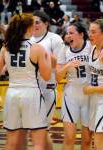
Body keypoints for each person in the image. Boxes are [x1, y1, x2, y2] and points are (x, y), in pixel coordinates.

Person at [0, 13, 52, 150]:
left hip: (12, 94)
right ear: (29, 28)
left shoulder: (6, 47)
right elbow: (47, 76)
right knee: (38, 142)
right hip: (31, 95)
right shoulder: (37, 48)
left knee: (11, 142)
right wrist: (47, 59)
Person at [30, 10, 65, 150]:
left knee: (42, 131)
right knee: (35, 132)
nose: (34, 25)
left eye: (37, 22)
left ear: (46, 24)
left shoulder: (55, 39)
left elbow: (61, 65)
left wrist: (44, 55)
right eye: (32, 22)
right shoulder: (27, 38)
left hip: (47, 89)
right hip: (30, 89)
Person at [55, 22, 92, 150]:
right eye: (67, 33)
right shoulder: (64, 49)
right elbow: (58, 78)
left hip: (89, 96)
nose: (68, 36)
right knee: (69, 138)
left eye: (71, 33)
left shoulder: (91, 47)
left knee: (87, 140)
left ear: (81, 34)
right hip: (71, 96)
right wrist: (67, 66)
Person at [83, 19, 103, 150]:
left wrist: (92, 89)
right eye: (89, 31)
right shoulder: (92, 49)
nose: (90, 35)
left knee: (99, 141)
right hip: (94, 101)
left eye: (94, 32)